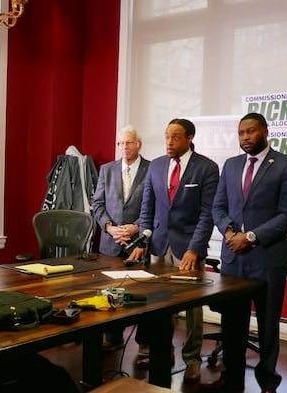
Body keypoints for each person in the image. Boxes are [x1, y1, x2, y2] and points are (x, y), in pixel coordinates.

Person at [201, 112, 287, 393]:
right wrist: (230, 233)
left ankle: (268, 382)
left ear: (266, 132)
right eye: (241, 133)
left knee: (268, 325)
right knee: (233, 322)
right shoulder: (231, 165)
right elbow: (218, 207)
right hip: (234, 257)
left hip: (268, 258)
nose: (245, 137)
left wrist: (252, 236)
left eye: (251, 132)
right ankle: (231, 377)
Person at [127, 118, 218, 382]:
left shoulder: (207, 168)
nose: (169, 142)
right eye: (167, 136)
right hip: (158, 245)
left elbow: (207, 214)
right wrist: (143, 241)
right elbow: (147, 207)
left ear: (190, 138)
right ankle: (162, 354)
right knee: (158, 305)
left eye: (175, 137)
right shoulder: (156, 166)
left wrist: (194, 248)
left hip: (188, 248)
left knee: (192, 309)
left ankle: (192, 360)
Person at [92, 125, 150, 350]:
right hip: (111, 242)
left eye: (128, 143)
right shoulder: (107, 169)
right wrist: (108, 227)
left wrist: (136, 227)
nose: (124, 147)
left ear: (139, 144)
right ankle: (113, 339)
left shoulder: (152, 169)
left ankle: (144, 344)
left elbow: (154, 206)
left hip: (138, 242)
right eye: (121, 143)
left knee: (142, 293)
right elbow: (97, 204)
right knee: (110, 292)